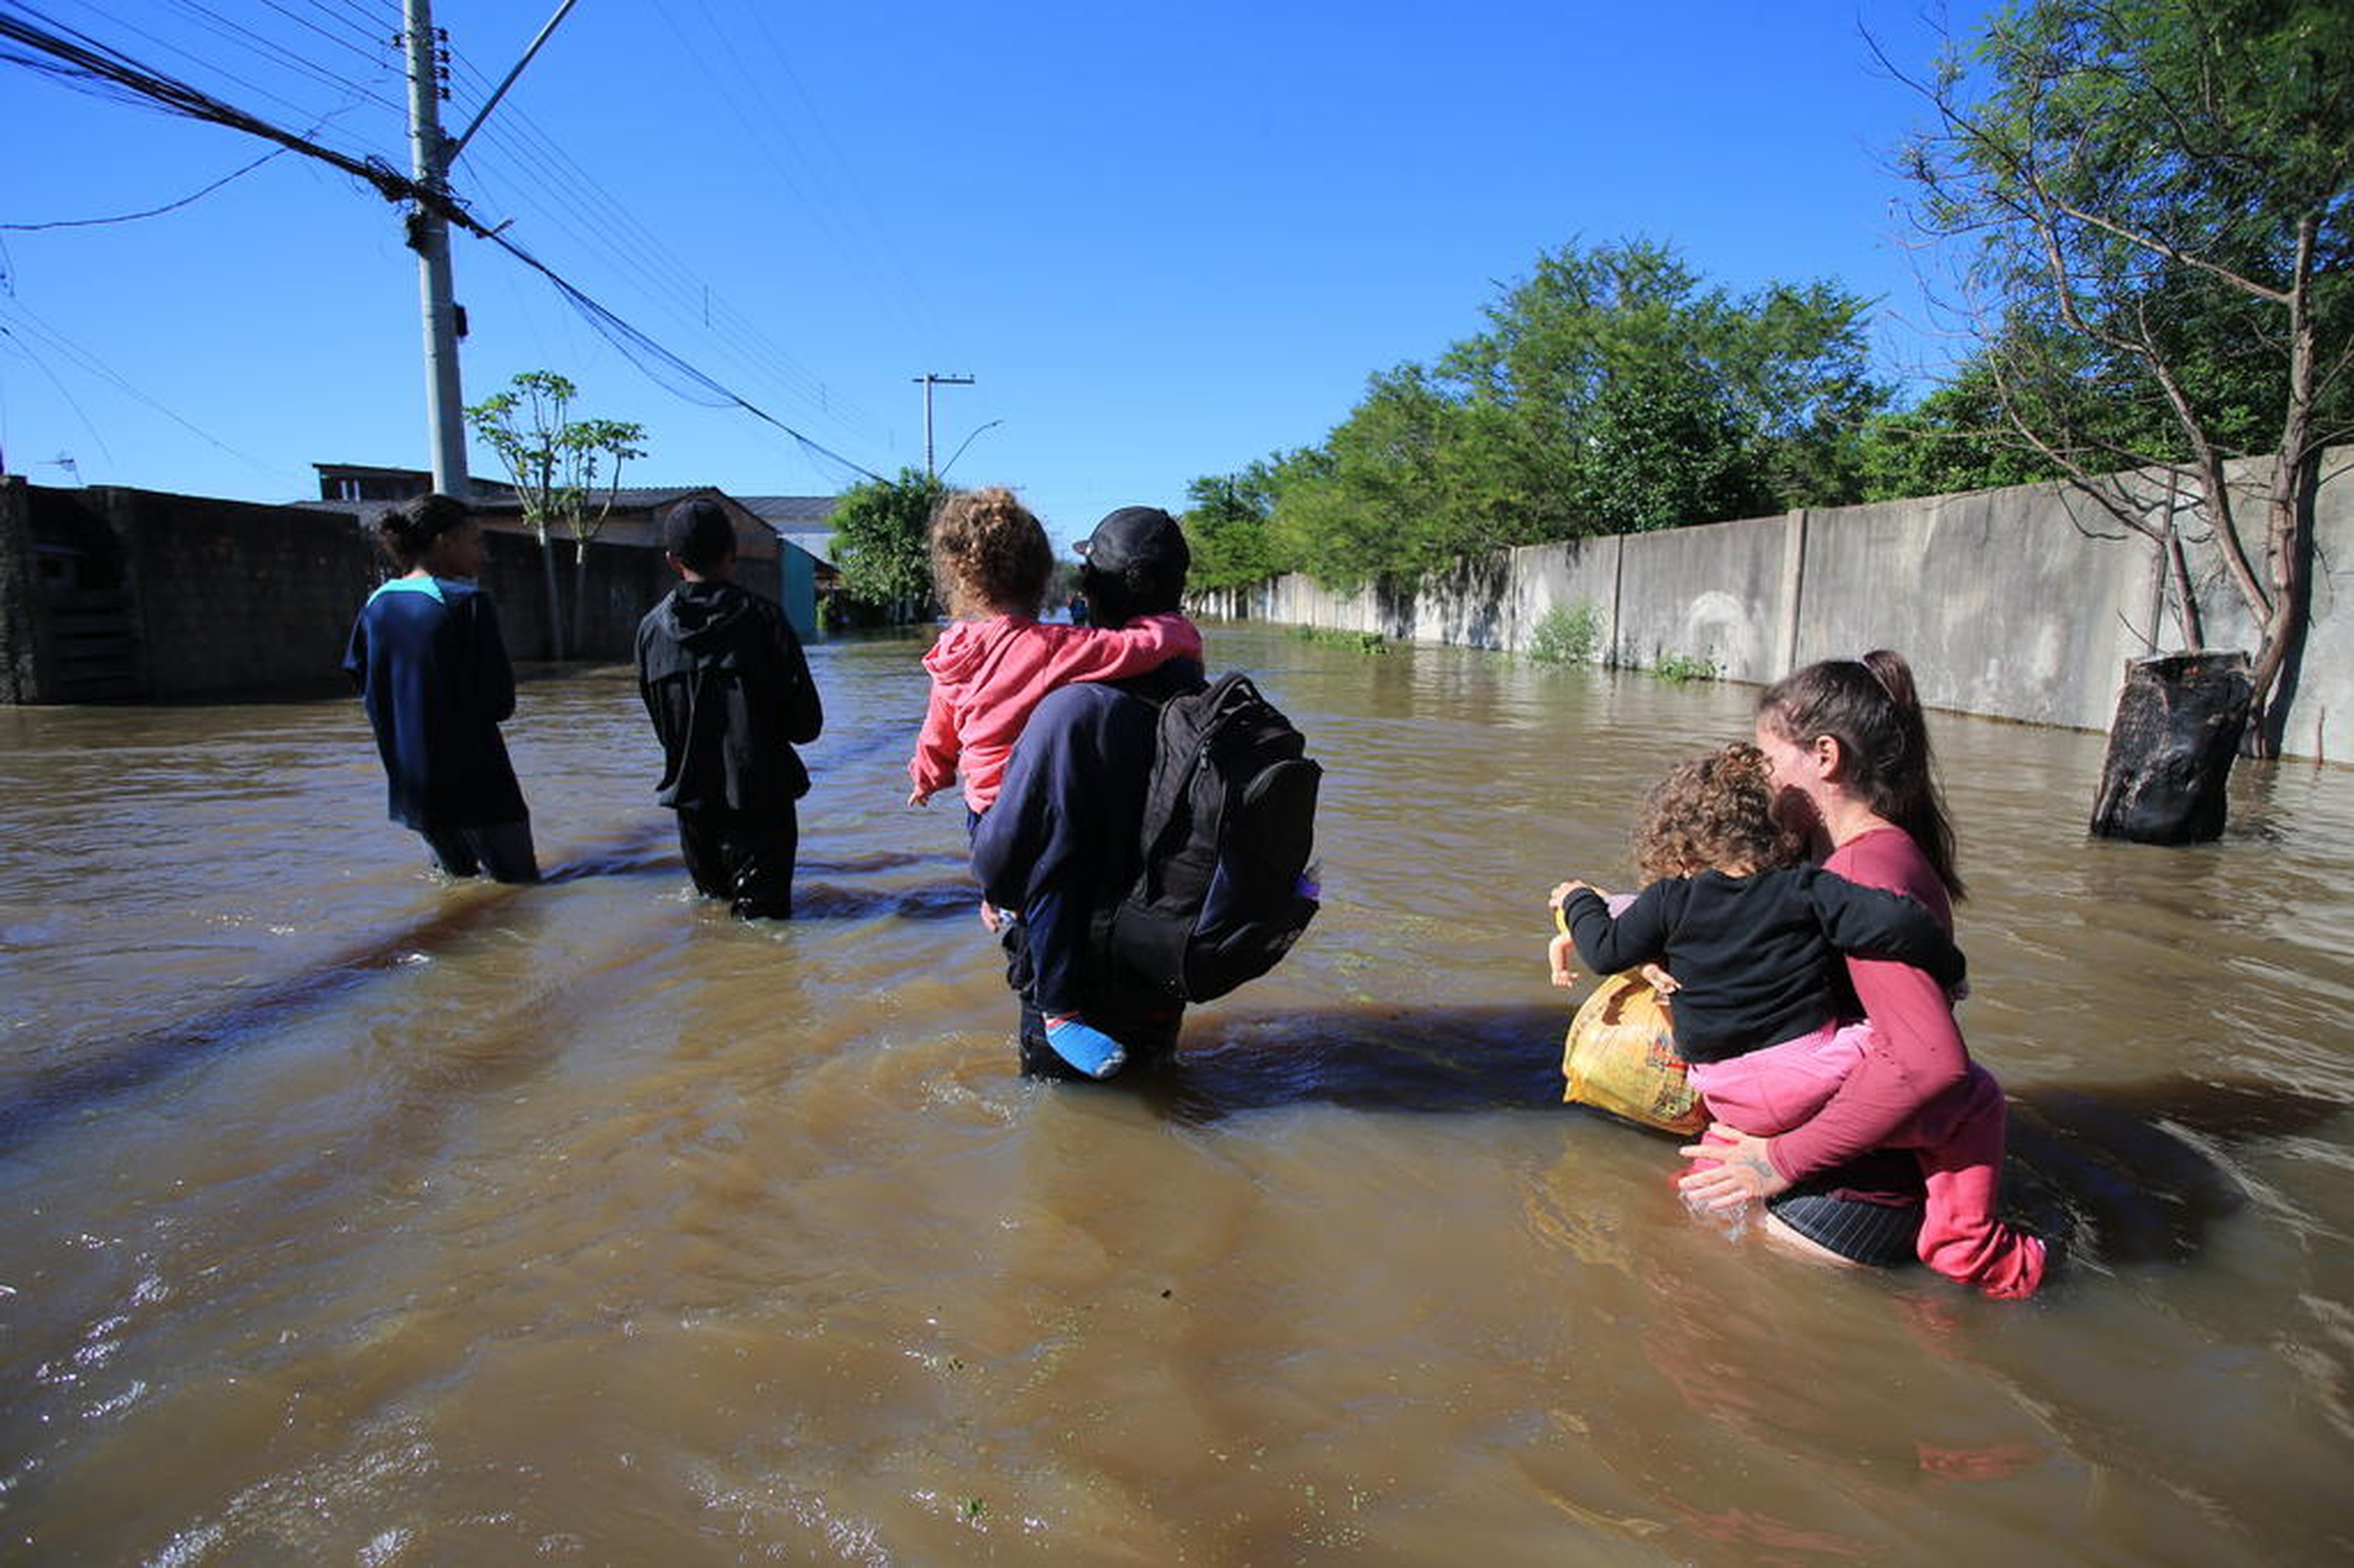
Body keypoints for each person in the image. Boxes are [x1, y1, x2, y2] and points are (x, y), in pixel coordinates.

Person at [1549, 744, 2046, 1297]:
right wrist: (1950, 970)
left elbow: (1603, 949)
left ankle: (1707, 1176)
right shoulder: (1808, 889)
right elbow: (1897, 922)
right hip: (1804, 1075)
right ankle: (1968, 1244)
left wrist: (1577, 901)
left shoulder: (1670, 902)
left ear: (1682, 852)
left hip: (1727, 1094)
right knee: (1959, 1085)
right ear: (1776, 835)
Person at [1674, 651, 2050, 1298]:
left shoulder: (1861, 874)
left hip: (1842, 1205)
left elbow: (1931, 1061)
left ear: (1824, 756)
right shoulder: (1854, 854)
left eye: (1768, 760)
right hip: (1852, 1180)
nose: (1760, 780)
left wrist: (1776, 1160)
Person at [910, 489, 1202, 1077]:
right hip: (1156, 948)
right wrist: (1178, 633)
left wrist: (927, 777)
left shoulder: (955, 656)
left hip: (993, 817)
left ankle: (1058, 1010)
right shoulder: (1175, 689)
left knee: (1038, 883)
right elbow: (1134, 647)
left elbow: (938, 737)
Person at [636, 498, 823, 919]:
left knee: (711, 924)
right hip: (761, 806)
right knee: (766, 932)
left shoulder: (650, 632)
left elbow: (660, 723)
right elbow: (806, 725)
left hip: (692, 809)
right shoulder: (766, 621)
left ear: (672, 560)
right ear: (733, 551)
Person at [343, 493, 539, 883]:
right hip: (478, 780)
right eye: (475, 542)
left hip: (413, 785)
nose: (483, 554)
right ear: (442, 542)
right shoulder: (466, 603)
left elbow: (361, 680)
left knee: (456, 889)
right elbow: (499, 702)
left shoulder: (374, 607)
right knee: (521, 892)